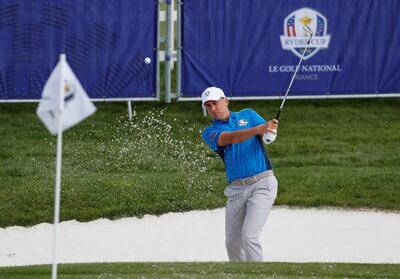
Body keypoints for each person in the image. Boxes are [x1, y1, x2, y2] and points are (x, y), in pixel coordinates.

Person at [201, 86, 279, 262]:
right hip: (236, 191)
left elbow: (267, 133)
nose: (213, 108)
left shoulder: (248, 115)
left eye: (215, 103)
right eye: (208, 106)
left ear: (225, 101)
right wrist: (259, 129)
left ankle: (258, 276)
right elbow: (231, 138)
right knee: (232, 244)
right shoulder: (210, 132)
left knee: (249, 236)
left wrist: (270, 131)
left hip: (262, 184)